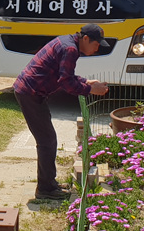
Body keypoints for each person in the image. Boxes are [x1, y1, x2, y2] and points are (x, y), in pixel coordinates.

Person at [13, 24, 110, 200]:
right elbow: (66, 83)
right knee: (47, 141)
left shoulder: (68, 43)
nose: (97, 49)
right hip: (30, 93)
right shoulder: (70, 49)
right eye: (96, 44)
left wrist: (86, 82)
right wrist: (90, 90)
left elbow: (64, 75)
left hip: (32, 91)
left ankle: (49, 183)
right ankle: (46, 189)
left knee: (48, 139)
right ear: (86, 39)